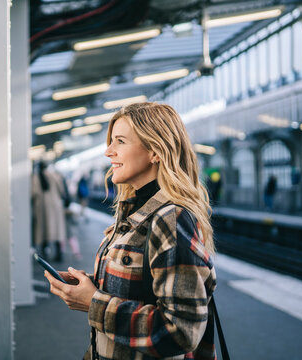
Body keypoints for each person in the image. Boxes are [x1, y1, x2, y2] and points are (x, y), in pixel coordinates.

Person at [44, 102, 217, 359]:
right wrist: (93, 284)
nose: (108, 151)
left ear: (155, 152)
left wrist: (94, 303)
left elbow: (181, 330)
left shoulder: (171, 219)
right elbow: (143, 285)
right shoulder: (135, 210)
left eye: (120, 141)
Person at [31, 161, 68, 261]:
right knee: (57, 231)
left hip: (42, 207)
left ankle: (44, 255)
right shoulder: (54, 175)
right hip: (55, 207)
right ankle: (59, 254)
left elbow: (33, 193)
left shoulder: (35, 176)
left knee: (43, 231)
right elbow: (62, 190)